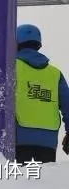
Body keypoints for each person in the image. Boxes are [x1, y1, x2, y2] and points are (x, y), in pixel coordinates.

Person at [14, 23, 69, 164]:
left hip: (19, 138)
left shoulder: (11, 67)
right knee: (44, 178)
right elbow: (67, 106)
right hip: (48, 141)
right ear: (38, 44)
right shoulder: (55, 74)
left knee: (18, 177)